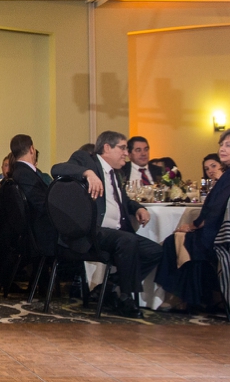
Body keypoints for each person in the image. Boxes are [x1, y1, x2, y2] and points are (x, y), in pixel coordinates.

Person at [51, 131, 164, 318]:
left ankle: (110, 286)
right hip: (92, 233)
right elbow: (57, 169)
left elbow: (123, 200)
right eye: (122, 148)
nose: (126, 153)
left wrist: (138, 208)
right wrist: (87, 173)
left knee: (155, 251)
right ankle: (125, 298)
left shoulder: (116, 173)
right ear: (106, 148)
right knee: (128, 241)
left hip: (116, 233)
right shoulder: (87, 161)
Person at [156, 128, 230, 311]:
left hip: (228, 237)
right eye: (221, 144)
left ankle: (184, 296)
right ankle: (208, 295)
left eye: (228, 145)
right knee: (189, 239)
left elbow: (216, 209)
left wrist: (192, 225)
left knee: (175, 240)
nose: (222, 149)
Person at [8, 134, 56, 258]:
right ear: (31, 149)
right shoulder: (25, 174)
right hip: (42, 234)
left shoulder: (18, 172)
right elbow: (42, 205)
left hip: (37, 231)